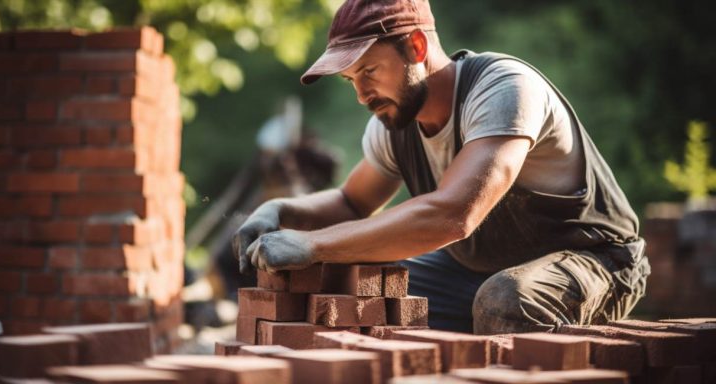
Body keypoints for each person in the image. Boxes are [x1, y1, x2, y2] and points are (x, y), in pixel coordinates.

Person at [232, 0, 650, 334]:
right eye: (351, 80)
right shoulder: (393, 123)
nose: (362, 95)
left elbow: (453, 215)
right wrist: (281, 211)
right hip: (480, 270)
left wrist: (314, 244)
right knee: (343, 287)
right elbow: (350, 202)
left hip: (596, 261)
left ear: (416, 46)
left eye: (369, 71)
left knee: (508, 302)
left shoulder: (504, 89)